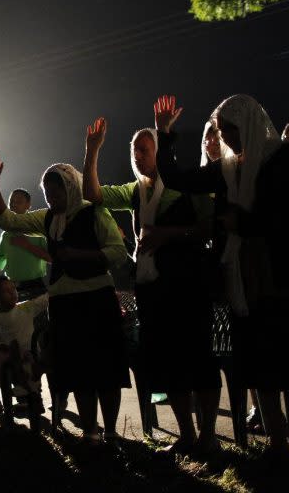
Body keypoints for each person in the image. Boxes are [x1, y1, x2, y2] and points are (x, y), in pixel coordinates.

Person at [154, 94, 289, 466]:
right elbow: (179, 178)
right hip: (244, 278)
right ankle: (277, 443)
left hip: (284, 273)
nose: (226, 137)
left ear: (249, 125)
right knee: (261, 361)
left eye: (231, 129)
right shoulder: (229, 167)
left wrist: (245, 223)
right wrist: (165, 135)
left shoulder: (282, 157)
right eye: (220, 130)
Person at [82, 116, 221, 455]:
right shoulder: (136, 191)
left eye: (144, 149)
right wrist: (92, 151)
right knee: (169, 360)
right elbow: (93, 194)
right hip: (153, 289)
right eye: (134, 151)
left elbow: (210, 228)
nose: (138, 157)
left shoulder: (187, 184)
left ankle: (209, 435)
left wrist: (168, 235)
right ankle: (187, 434)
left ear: (159, 151)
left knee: (199, 358)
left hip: (188, 283)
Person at [0, 154, 130, 444]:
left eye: (56, 191)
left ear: (71, 187)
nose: (50, 198)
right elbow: (9, 221)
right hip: (64, 305)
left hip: (96, 299)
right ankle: (90, 431)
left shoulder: (95, 213)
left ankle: (111, 431)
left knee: (105, 368)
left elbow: (118, 252)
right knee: (78, 370)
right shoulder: (49, 218)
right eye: (47, 192)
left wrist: (81, 255)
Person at [0, 275, 47, 420]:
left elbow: (45, 300)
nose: (12, 293)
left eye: (13, 289)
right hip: (7, 351)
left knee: (27, 362)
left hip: (28, 351)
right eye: (6, 291)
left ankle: (27, 396)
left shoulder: (26, 308)